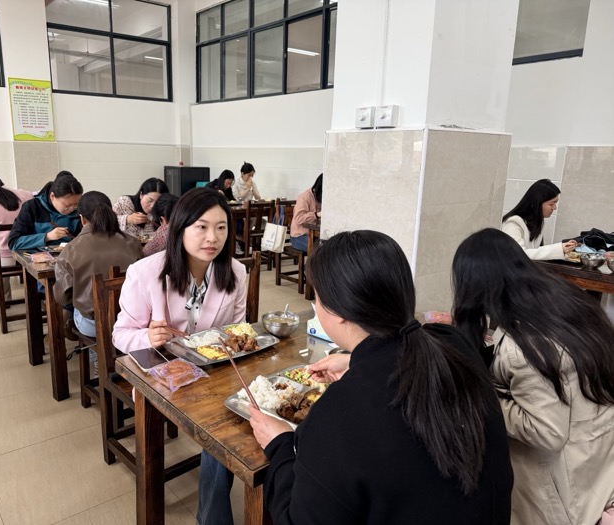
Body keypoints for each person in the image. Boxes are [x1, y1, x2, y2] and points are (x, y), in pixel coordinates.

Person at [248, 230, 513, 524]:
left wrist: (280, 444)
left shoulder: (339, 414)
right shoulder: (454, 344)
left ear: (338, 312)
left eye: (318, 297)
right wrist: (356, 363)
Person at [452, 228, 614, 525]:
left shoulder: (525, 345)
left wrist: (486, 398)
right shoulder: (564, 302)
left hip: (565, 487)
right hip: (597, 465)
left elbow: (547, 432)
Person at [112, 188, 247, 525]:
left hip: (215, 372)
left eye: (221, 227)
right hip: (163, 375)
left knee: (240, 415)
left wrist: (234, 342)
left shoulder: (235, 271)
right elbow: (120, 335)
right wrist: (147, 337)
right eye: (201, 227)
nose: (212, 238)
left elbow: (237, 329)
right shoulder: (145, 273)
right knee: (222, 427)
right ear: (180, 228)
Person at [53, 191, 142, 343]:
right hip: (133, 318)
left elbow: (63, 297)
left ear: (82, 218)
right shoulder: (134, 243)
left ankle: (96, 354)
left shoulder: (71, 250)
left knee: (76, 310)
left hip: (94, 324)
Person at [501, 178, 577, 260]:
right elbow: (518, 254)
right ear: (537, 203)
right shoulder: (513, 223)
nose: (555, 208)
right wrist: (559, 249)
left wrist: (563, 250)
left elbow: (535, 251)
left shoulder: (537, 222)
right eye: (551, 204)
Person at [8, 171, 83, 251]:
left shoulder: (80, 210)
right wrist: (47, 236)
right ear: (52, 196)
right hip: (36, 255)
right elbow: (14, 243)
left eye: (76, 204)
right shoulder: (32, 207)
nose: (72, 208)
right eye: (67, 205)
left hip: (70, 255)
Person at [290, 173, 322, 252]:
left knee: (331, 246)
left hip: (314, 234)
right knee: (321, 249)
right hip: (299, 237)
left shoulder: (319, 198)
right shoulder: (304, 197)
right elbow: (299, 218)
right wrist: (316, 215)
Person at [142, 193, 178, 257]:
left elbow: (144, 253)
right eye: (150, 200)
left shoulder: (164, 231)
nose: (151, 205)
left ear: (162, 219)